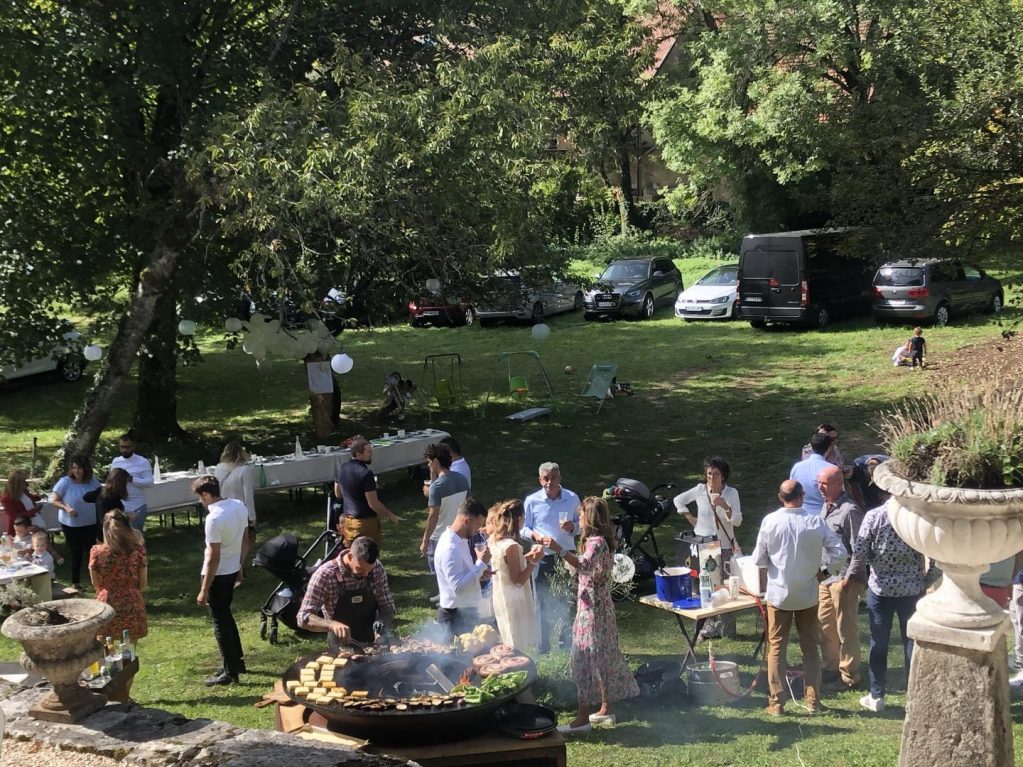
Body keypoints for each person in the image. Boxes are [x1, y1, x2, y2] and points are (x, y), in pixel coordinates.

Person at [752, 479, 847, 716]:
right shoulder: (815, 521)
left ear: (780, 497)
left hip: (779, 594)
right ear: (802, 496)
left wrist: (774, 563)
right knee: (810, 648)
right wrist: (825, 573)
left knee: (777, 648)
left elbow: (758, 559)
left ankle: (776, 703)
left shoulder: (770, 521)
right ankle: (813, 701)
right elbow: (840, 553)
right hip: (807, 594)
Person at [545, 497, 639, 733]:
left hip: (594, 610)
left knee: (586, 659)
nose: (578, 519)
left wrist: (558, 549)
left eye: (580, 515)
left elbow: (585, 567)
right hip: (596, 607)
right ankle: (604, 708)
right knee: (600, 658)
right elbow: (586, 568)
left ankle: (583, 718)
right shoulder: (599, 541)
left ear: (589, 517)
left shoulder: (596, 542)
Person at [846, 498, 935, 712]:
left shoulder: (874, 516)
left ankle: (877, 696)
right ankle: (914, 694)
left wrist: (852, 577)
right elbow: (934, 551)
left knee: (879, 642)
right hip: (912, 589)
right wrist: (928, 579)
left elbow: (860, 551)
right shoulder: (916, 516)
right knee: (911, 641)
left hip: (881, 590)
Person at [673, 457, 743, 638]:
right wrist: (691, 518)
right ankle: (709, 627)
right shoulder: (700, 490)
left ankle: (728, 630)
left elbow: (737, 521)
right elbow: (678, 501)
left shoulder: (731, 493)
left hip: (724, 545)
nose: (711, 477)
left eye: (716, 474)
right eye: (709, 474)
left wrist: (726, 507)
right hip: (704, 546)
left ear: (723, 477)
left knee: (726, 586)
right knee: (707, 586)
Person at [193, 474, 248, 686]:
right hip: (232, 568)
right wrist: (240, 565)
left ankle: (230, 671)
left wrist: (203, 589)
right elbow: (245, 539)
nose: (200, 501)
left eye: (200, 497)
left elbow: (213, 557)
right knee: (226, 615)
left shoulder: (214, 519)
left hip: (219, 574)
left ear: (207, 494)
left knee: (220, 622)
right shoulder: (238, 505)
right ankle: (237, 661)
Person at [297, 535, 396, 651]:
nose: (365, 574)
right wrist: (332, 625)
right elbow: (303, 618)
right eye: (360, 569)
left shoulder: (377, 568)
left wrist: (383, 620)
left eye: (369, 571)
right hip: (340, 647)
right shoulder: (325, 575)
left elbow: (387, 606)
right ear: (350, 557)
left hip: (373, 644)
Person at [89, 508, 148, 700]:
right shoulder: (138, 551)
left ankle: (106, 693)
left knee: (105, 651)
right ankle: (125, 696)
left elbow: (96, 584)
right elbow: (143, 584)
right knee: (128, 654)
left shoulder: (96, 552)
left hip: (106, 606)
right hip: (132, 602)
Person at [521, 462, 580, 651]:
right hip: (542, 556)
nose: (549, 482)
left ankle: (565, 644)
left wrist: (573, 527)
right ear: (540, 480)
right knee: (541, 601)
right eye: (545, 479)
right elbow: (523, 528)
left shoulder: (572, 498)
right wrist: (534, 535)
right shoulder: (532, 501)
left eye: (553, 478)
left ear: (559, 477)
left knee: (568, 599)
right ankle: (543, 647)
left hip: (566, 556)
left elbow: (583, 525)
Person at [816, 465, 865, 690]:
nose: (820, 487)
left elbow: (859, 549)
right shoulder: (825, 507)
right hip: (826, 577)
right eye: (819, 483)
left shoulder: (849, 511)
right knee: (825, 625)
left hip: (844, 579)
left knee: (846, 629)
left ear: (839, 484)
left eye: (825, 484)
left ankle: (849, 676)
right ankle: (830, 668)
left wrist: (849, 578)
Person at [488, 499, 544, 653]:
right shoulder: (511, 546)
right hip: (513, 599)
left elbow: (506, 566)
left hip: (501, 595)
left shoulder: (494, 539)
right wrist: (535, 561)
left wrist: (527, 557)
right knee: (515, 644)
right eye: (524, 518)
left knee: (508, 638)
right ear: (518, 519)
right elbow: (517, 581)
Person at [435, 497, 490, 639]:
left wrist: (480, 574)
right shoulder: (450, 548)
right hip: (455, 618)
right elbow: (458, 588)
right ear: (466, 521)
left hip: (464, 613)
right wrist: (481, 563)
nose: (479, 530)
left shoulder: (460, 540)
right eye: (478, 525)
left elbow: (463, 574)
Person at [333, 436, 401, 548]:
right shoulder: (365, 473)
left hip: (348, 522)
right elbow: (373, 503)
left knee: (352, 555)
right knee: (370, 555)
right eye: (368, 452)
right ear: (358, 454)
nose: (371, 454)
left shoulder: (341, 468)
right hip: (365, 523)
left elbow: (338, 494)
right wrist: (390, 515)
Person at [51, 454, 101, 589]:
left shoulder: (93, 482)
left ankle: (96, 580)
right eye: (74, 468)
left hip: (91, 523)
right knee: (76, 552)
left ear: (86, 469)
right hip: (72, 525)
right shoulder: (65, 482)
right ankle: (76, 582)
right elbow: (54, 501)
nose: (77, 471)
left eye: (79, 468)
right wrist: (66, 508)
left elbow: (100, 496)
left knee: (92, 552)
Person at [419, 443, 470, 574]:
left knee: (440, 574)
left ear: (436, 461)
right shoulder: (462, 479)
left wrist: (425, 540)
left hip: (439, 537)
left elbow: (433, 516)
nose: (428, 465)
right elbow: (469, 504)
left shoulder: (436, 487)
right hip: (459, 534)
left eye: (429, 462)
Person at [214, 441, 257, 585]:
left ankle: (230, 570)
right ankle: (239, 569)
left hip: (223, 510)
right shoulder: (244, 470)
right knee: (244, 541)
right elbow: (248, 495)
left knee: (228, 542)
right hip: (239, 511)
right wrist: (252, 517)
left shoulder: (219, 468)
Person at [111, 434, 154, 532]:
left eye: (128, 447)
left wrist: (131, 479)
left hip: (137, 505)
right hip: (119, 504)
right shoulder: (116, 461)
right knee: (120, 536)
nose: (124, 450)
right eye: (122, 447)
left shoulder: (142, 462)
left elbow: (150, 483)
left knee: (135, 535)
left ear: (134, 446)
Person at [790, 432, 833, 516]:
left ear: (812, 447)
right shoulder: (832, 470)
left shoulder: (797, 467)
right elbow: (838, 497)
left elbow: (791, 490)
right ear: (829, 448)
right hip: (825, 516)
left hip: (801, 514)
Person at [1, 469, 43, 535]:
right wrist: (34, 510)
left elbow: (29, 498)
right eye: (24, 482)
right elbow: (16, 518)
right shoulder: (7, 499)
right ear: (17, 484)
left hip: (36, 526)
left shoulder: (24, 491)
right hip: (22, 531)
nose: (27, 484)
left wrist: (39, 497)